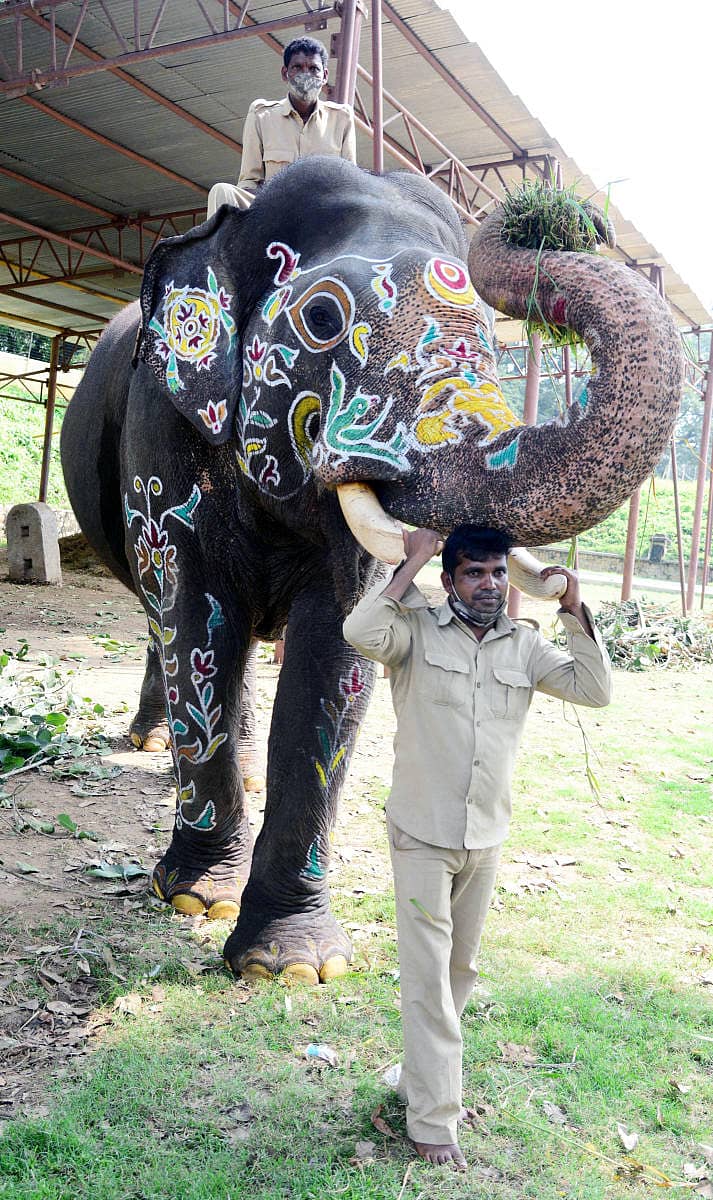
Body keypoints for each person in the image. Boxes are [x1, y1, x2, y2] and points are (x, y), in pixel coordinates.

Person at [343, 525, 611, 1170]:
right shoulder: (414, 631)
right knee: (430, 980)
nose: (488, 585)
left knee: (460, 972)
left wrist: (573, 609)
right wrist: (411, 562)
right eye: (474, 573)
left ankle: (416, 1081)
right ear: (450, 579)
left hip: (486, 836)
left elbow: (595, 690)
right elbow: (360, 631)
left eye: (496, 573)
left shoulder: (526, 646)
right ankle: (433, 1122)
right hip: (421, 832)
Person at [207, 36, 357, 217]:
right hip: (273, 211)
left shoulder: (341, 118)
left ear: (324, 76)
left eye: (313, 69)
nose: (306, 74)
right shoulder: (261, 115)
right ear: (285, 73)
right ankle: (218, 246)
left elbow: (351, 184)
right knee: (221, 191)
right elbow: (249, 182)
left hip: (322, 215)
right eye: (297, 67)